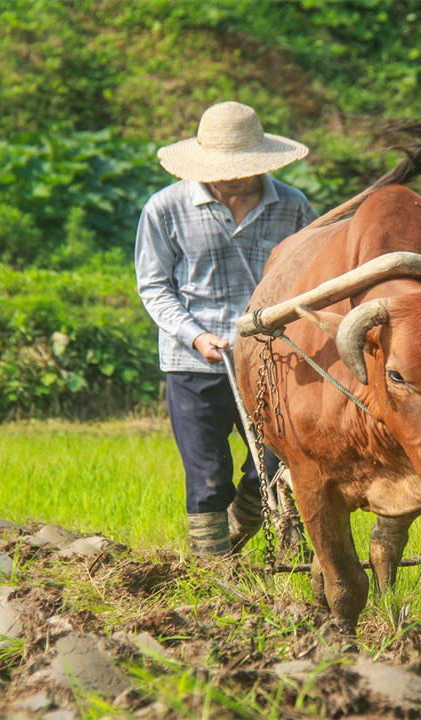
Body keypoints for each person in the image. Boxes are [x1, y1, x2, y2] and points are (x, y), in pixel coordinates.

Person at [135, 102, 318, 556]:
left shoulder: (293, 208)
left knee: (275, 466)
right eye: (220, 167)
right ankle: (211, 574)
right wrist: (195, 335)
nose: (230, 176)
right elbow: (154, 286)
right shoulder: (165, 208)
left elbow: (315, 276)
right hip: (194, 360)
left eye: (241, 167)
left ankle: (240, 528)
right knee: (206, 475)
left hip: (273, 361)